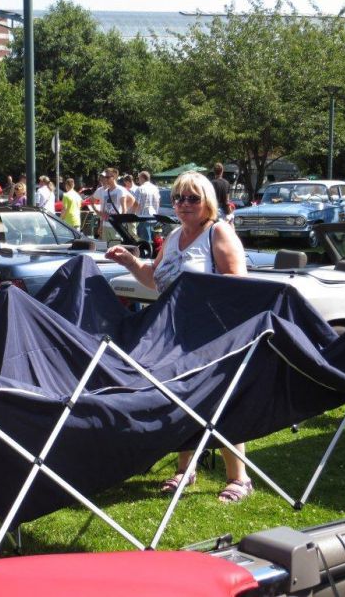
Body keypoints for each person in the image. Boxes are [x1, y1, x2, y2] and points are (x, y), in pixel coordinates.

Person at [105, 171, 252, 503]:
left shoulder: (218, 232)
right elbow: (154, 280)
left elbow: (239, 284)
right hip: (174, 335)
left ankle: (239, 478)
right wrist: (129, 261)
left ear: (207, 203)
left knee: (220, 402)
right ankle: (185, 470)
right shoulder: (173, 237)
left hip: (213, 335)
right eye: (179, 198)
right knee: (181, 399)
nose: (184, 204)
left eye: (192, 198)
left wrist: (199, 298)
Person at [91, 168, 131, 241]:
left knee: (115, 248)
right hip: (105, 226)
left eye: (107, 177)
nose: (105, 179)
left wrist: (119, 225)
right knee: (106, 249)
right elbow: (103, 210)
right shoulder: (105, 192)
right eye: (105, 177)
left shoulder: (120, 190)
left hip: (115, 227)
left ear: (114, 177)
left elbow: (124, 210)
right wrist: (101, 224)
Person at [134, 171, 161, 243]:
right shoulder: (155, 188)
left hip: (143, 218)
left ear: (142, 178)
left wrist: (133, 215)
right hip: (154, 217)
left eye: (139, 178)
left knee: (144, 242)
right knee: (155, 241)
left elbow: (136, 204)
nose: (138, 180)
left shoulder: (140, 188)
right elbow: (158, 202)